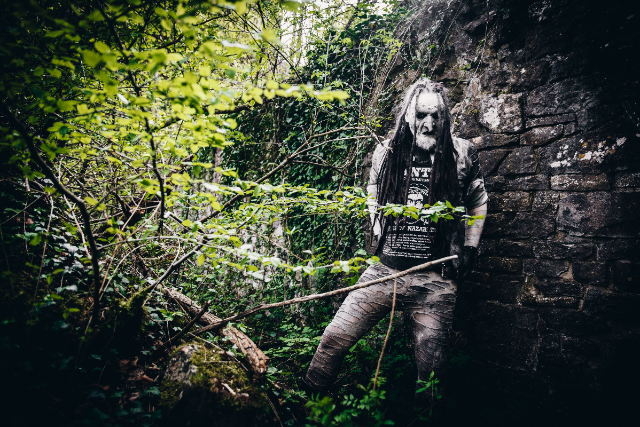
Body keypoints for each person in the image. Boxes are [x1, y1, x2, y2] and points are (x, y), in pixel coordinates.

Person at [303, 78, 489, 397]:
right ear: (407, 115)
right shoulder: (386, 152)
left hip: (437, 280)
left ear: (445, 116)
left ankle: (426, 417)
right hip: (384, 272)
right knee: (334, 337)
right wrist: (378, 227)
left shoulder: (462, 153)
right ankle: (304, 402)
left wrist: (470, 247)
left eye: (436, 116)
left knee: (432, 373)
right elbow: (373, 189)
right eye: (421, 115)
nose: (428, 124)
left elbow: (478, 201)